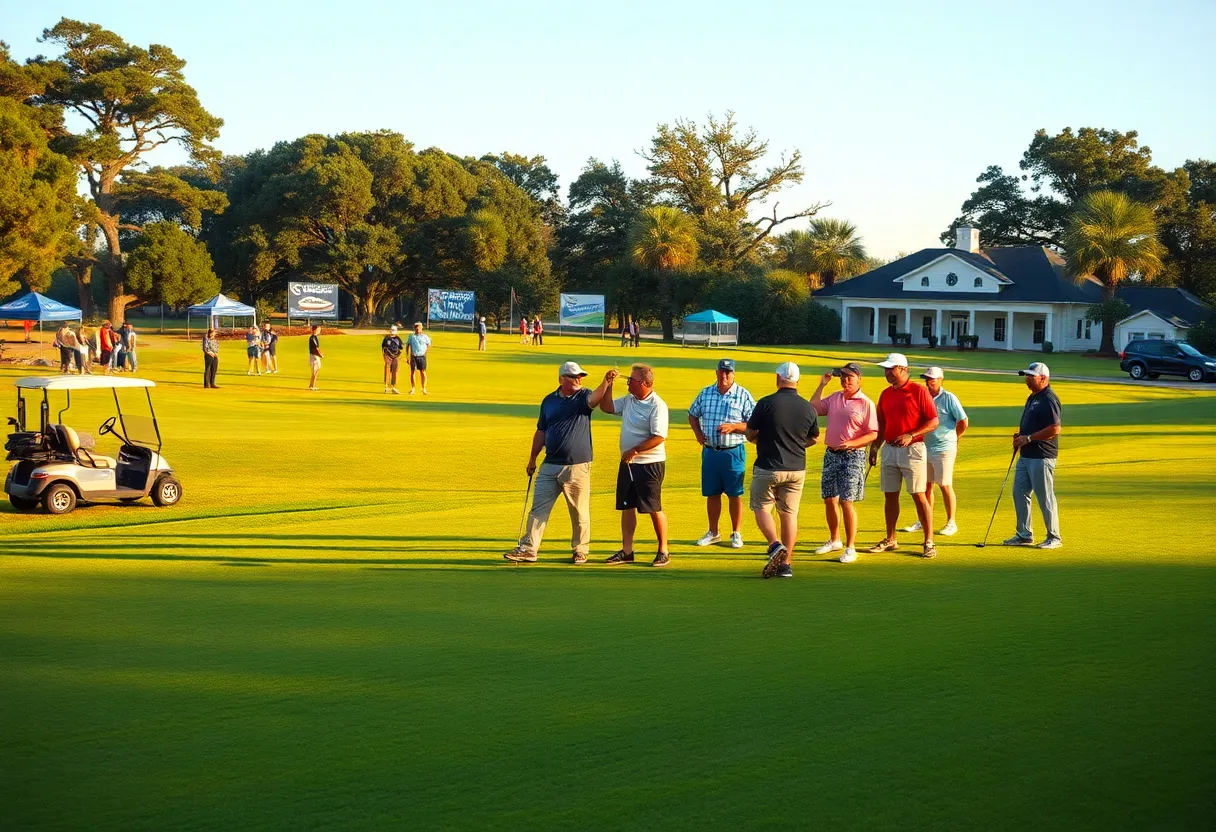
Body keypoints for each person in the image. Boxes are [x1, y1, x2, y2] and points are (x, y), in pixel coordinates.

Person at [504, 361, 617, 564]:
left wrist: (607, 381)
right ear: (561, 379)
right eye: (573, 376)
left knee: (579, 511)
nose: (578, 379)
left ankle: (580, 550)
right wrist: (532, 459)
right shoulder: (548, 401)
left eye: (580, 376)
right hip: (549, 464)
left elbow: (596, 399)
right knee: (538, 509)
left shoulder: (583, 396)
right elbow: (541, 431)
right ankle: (529, 549)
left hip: (577, 465)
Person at [750, 362, 820, 579]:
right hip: (796, 468)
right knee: (789, 514)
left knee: (761, 506)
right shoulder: (808, 407)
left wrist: (762, 441)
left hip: (768, 466)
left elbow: (750, 433)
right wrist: (797, 444)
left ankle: (774, 545)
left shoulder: (766, 403)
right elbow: (814, 438)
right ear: (797, 381)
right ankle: (786, 564)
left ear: (778, 379)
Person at [867, 353, 940, 558]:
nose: (888, 373)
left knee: (919, 495)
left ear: (904, 369)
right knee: (890, 496)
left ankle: (928, 541)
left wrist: (911, 434)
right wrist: (875, 447)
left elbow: (933, 421)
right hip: (889, 450)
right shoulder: (885, 394)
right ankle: (890, 539)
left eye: (892, 369)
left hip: (913, 449)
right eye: (886, 370)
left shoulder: (918, 391)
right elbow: (882, 425)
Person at [598, 363, 671, 567]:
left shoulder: (657, 405)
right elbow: (607, 407)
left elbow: (659, 437)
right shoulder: (630, 400)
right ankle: (627, 550)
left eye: (632, 380)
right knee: (627, 506)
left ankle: (663, 550)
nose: (628, 383)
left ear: (645, 383)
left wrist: (635, 450)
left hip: (649, 464)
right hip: (628, 463)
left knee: (653, 506)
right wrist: (609, 384)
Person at [809, 362, 879, 564]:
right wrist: (822, 384)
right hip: (831, 454)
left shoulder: (866, 403)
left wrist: (852, 443)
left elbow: (872, 433)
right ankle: (834, 539)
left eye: (849, 377)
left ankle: (851, 547)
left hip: (853, 456)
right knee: (829, 498)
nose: (845, 380)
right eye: (843, 377)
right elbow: (813, 407)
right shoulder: (834, 398)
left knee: (846, 501)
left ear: (859, 379)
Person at [688, 358, 756, 549]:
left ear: (733, 374)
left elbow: (753, 424)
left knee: (734, 493)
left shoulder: (743, 395)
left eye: (728, 372)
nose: (724, 375)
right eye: (721, 372)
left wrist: (734, 427)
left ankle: (736, 532)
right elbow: (693, 414)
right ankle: (713, 532)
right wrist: (698, 434)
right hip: (710, 451)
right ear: (716, 372)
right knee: (712, 493)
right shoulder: (706, 393)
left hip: (733, 452)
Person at [904, 367, 967, 537]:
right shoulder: (922, 396)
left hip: (944, 448)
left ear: (941, 380)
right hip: (925, 447)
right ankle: (924, 519)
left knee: (944, 484)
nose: (929, 381)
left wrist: (954, 437)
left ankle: (951, 522)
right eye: (927, 378)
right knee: (925, 486)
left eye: (932, 379)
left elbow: (963, 421)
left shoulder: (949, 398)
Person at [1005, 362, 1063, 549]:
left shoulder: (1049, 398)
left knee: (1045, 496)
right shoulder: (1033, 397)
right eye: (1026, 376)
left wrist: (1028, 437)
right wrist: (1021, 436)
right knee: (1019, 493)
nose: (1027, 380)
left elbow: (1055, 428)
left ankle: (1054, 537)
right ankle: (1024, 534)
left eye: (1031, 377)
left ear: (1043, 379)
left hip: (1042, 455)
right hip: (1026, 454)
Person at [407, 322, 431, 395]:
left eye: (419, 327)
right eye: (416, 328)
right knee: (413, 372)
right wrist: (408, 356)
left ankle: (423, 388)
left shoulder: (425, 337)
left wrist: (425, 353)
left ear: (421, 328)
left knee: (423, 372)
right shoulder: (411, 336)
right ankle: (413, 388)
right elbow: (408, 346)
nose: (417, 329)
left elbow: (429, 345)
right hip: (414, 356)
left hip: (422, 356)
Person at [381, 324, 404, 394]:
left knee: (395, 371)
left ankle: (394, 386)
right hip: (387, 355)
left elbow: (401, 347)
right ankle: (386, 386)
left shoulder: (398, 338)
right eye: (392, 330)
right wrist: (384, 356)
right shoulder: (386, 338)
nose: (392, 331)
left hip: (396, 356)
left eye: (394, 330)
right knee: (387, 369)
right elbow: (383, 347)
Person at [307, 324, 323, 390]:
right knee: (315, 370)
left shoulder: (315, 337)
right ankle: (312, 386)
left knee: (316, 370)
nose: (319, 330)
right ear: (315, 330)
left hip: (315, 355)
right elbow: (316, 348)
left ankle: (311, 385)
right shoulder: (313, 338)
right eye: (318, 329)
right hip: (314, 356)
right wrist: (320, 354)